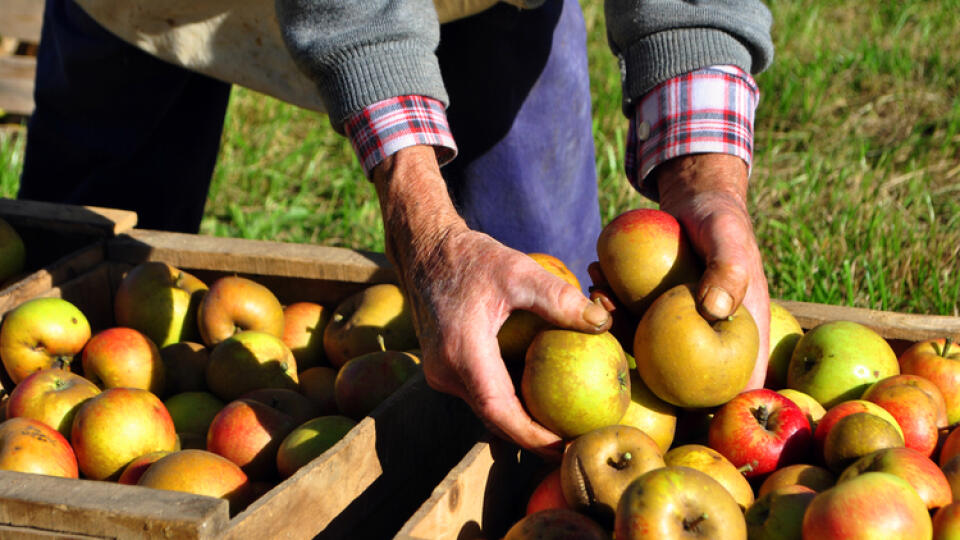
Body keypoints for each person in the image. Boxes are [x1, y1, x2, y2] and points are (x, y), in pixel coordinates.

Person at [20, 0, 773, 458]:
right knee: (76, 282)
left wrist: (703, 177)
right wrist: (425, 223)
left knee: (536, 337)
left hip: (482, 7)